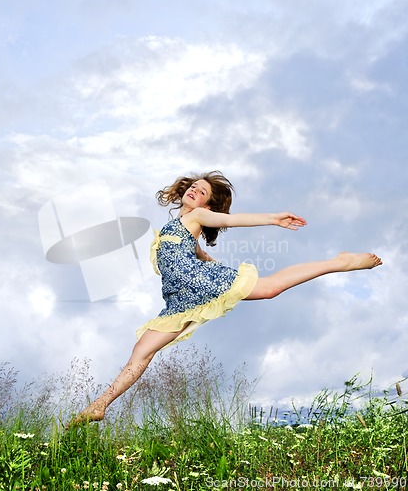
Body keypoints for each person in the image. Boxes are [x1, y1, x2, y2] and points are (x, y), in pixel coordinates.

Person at [68, 171, 382, 425]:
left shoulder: (199, 217)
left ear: (208, 204)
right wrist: (218, 269)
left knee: (269, 288)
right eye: (193, 187)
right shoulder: (176, 226)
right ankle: (99, 405)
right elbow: (200, 254)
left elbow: (230, 221)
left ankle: (340, 262)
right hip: (179, 300)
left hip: (198, 284)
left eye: (202, 191)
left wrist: (272, 218)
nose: (195, 191)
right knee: (141, 353)